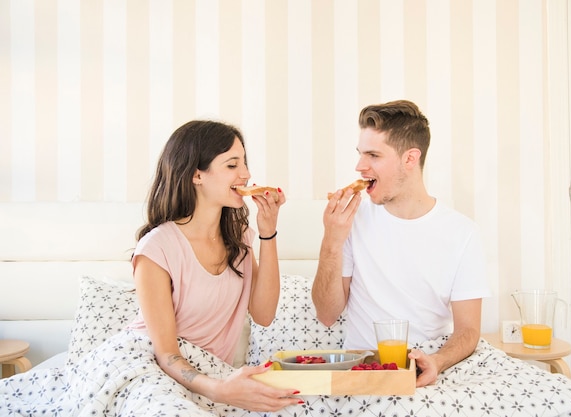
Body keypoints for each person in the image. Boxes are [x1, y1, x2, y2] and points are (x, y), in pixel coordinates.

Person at [311, 100, 491, 388]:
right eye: (360, 154)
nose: (360, 167)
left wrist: (437, 361)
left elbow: (468, 330)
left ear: (410, 159)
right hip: (362, 368)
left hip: (427, 368)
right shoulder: (351, 220)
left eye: (373, 155)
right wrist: (331, 241)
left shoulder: (462, 233)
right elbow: (327, 314)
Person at [129, 120, 302, 412]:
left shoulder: (239, 238)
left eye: (244, 163)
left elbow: (263, 314)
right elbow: (167, 355)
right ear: (197, 174)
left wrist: (267, 231)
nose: (246, 175)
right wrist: (220, 390)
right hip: (150, 371)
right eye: (232, 165)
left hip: (210, 378)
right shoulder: (157, 248)